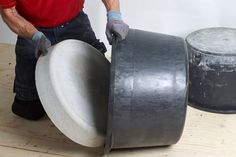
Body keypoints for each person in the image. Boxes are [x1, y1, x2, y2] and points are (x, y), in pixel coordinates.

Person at [0, 0, 129, 120]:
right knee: (29, 109)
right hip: (32, 29)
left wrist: (114, 15)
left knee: (107, 89)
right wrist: (34, 36)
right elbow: (9, 13)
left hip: (74, 24)